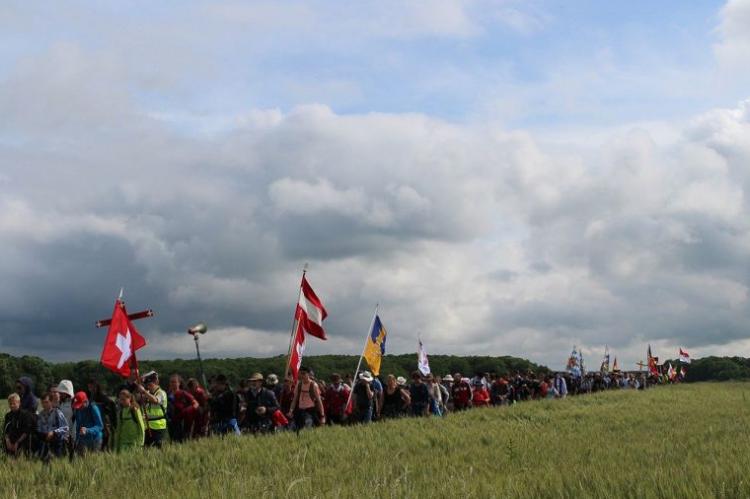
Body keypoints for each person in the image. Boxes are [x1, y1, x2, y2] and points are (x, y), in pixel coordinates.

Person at [136, 371, 168, 447]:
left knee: (158, 448)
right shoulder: (147, 393)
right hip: (147, 426)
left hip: (158, 426)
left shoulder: (161, 393)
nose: (149, 387)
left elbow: (155, 400)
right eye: (147, 385)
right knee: (147, 448)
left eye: (150, 385)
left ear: (155, 383)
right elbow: (137, 398)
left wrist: (144, 391)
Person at [36, 393, 69, 459]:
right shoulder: (40, 414)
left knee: (56, 463)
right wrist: (42, 434)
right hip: (44, 442)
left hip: (56, 442)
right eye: (42, 403)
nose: (44, 404)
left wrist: (54, 432)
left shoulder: (57, 412)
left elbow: (65, 427)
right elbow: (39, 428)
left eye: (46, 402)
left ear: (51, 402)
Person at [87, 380, 117, 451]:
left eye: (92, 386)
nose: (91, 388)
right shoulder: (90, 396)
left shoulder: (103, 396)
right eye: (89, 387)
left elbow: (110, 406)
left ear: (96, 387)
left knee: (105, 443)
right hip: (95, 423)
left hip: (104, 422)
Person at [168, 374, 199, 442]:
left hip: (182, 422)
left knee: (183, 440)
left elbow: (196, 404)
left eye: (174, 382)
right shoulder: (167, 394)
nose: (172, 384)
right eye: (171, 382)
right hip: (171, 422)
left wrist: (187, 411)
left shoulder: (184, 393)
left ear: (179, 383)